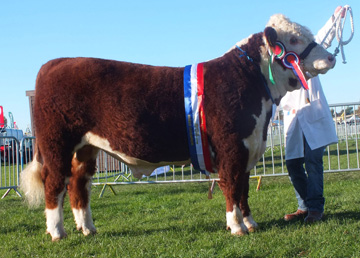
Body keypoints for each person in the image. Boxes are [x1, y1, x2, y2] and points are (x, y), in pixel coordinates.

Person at [282, 6, 345, 223]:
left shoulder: (309, 53)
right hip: (293, 117)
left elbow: (323, 38)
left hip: (313, 113)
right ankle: (304, 206)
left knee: (313, 161)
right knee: (293, 164)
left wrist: (335, 18)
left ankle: (316, 208)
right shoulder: (280, 62)